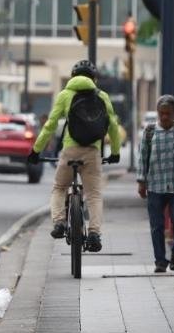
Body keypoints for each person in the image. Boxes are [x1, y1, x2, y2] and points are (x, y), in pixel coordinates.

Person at [28, 60, 122, 251]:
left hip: (70, 151)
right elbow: (113, 126)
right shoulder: (102, 96)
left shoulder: (65, 95)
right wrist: (115, 153)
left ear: (73, 77)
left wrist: (36, 150)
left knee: (59, 187)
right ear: (94, 79)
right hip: (92, 152)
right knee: (94, 195)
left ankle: (60, 223)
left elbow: (50, 125)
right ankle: (94, 234)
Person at [137, 95, 174, 272]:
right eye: (161, 113)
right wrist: (141, 181)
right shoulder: (149, 131)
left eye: (168, 114)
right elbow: (143, 157)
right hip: (155, 185)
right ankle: (160, 261)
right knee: (157, 225)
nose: (164, 117)